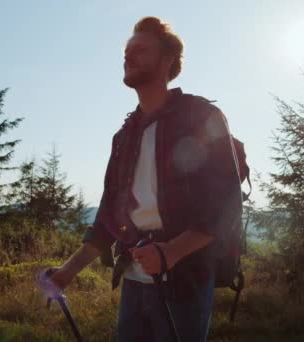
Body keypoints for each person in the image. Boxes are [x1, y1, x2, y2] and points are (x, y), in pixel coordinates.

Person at [49, 16, 243, 342]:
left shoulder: (202, 117)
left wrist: (170, 252)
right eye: (126, 51)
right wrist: (66, 274)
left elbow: (226, 203)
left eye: (139, 49)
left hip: (187, 280)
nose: (128, 56)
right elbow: (109, 218)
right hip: (134, 282)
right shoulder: (124, 136)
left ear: (167, 60)